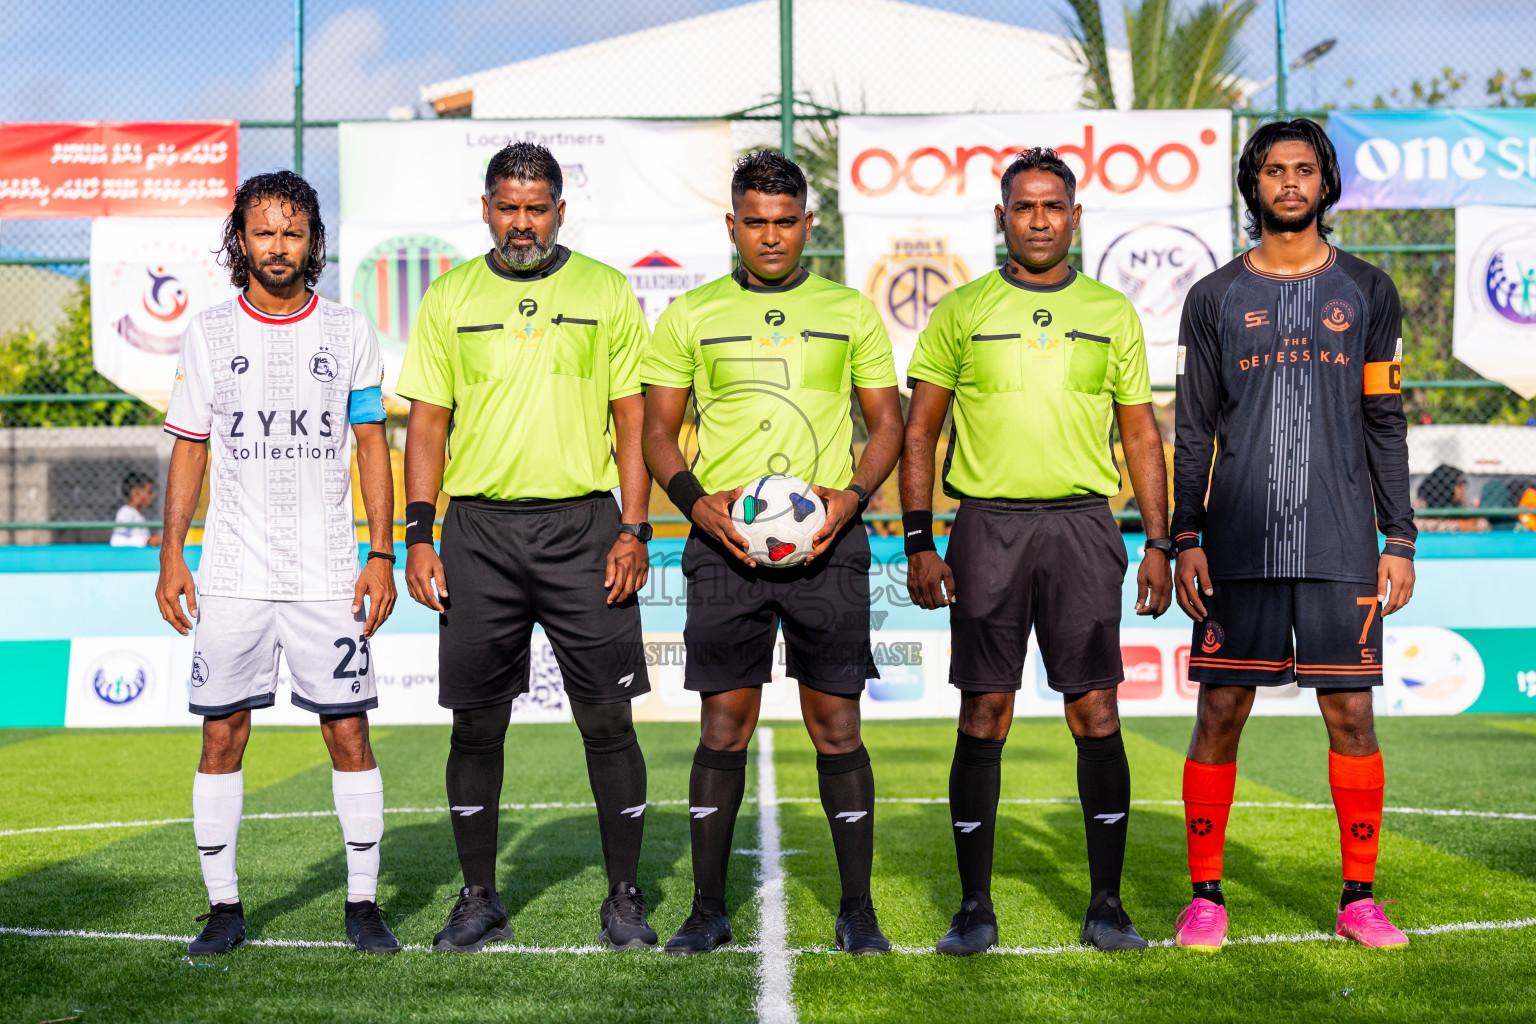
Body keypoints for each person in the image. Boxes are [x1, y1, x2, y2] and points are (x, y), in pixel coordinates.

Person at [901, 147, 1173, 956]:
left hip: (1086, 526)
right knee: (985, 707)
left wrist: (1158, 540)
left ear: (1077, 218)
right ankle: (974, 906)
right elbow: (921, 430)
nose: (1040, 220)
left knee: (1095, 706)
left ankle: (1107, 905)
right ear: (1001, 218)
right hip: (986, 527)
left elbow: (1140, 432)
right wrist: (919, 538)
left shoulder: (1113, 311)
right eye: (1024, 207)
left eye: (1054, 207)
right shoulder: (961, 310)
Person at [640, 150, 904, 955]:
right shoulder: (689, 314)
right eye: (755, 222)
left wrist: (850, 501)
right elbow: (656, 430)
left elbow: (886, 425)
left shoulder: (852, 311)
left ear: (808, 227)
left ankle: (856, 908)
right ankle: (709, 908)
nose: (771, 236)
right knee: (724, 726)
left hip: (829, 542)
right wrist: (697, 505)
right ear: (732, 226)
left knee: (836, 726)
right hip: (725, 550)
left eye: (786, 222)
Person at [397, 142, 655, 953]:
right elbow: (427, 425)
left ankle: (624, 898)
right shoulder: (448, 297)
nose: (521, 223)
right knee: (475, 724)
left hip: (585, 530)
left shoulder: (607, 290)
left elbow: (634, 422)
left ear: (559, 211)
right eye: (507, 208)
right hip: (476, 534)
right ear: (485, 209)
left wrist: (635, 528)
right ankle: (479, 898)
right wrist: (418, 534)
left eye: (535, 207)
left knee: (607, 718)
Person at [1171, 118, 1416, 950]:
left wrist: (1402, 538)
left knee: (1351, 714)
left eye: (1303, 170)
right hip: (1237, 543)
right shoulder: (1213, 299)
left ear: (1325, 184)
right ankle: (1206, 898)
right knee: (1221, 711)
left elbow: (1386, 421)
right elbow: (1192, 429)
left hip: (1343, 542)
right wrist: (1184, 534)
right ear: (1253, 185)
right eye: (1273, 170)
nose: (1288, 183)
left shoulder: (1369, 290)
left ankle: (1359, 899)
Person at [156, 171, 400, 955]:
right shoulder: (210, 332)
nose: (278, 247)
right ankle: (223, 908)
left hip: (328, 572)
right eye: (263, 232)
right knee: (222, 735)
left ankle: (363, 904)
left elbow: (372, 446)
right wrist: (172, 555)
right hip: (230, 573)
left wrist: (381, 553)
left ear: (313, 242)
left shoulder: (347, 330)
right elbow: (189, 447)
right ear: (241, 239)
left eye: (292, 233)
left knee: (348, 733)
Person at [111, 470, 161, 547]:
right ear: (136, 492)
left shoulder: (138, 515)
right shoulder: (126, 513)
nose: (153, 496)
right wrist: (146, 541)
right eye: (149, 492)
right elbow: (117, 541)